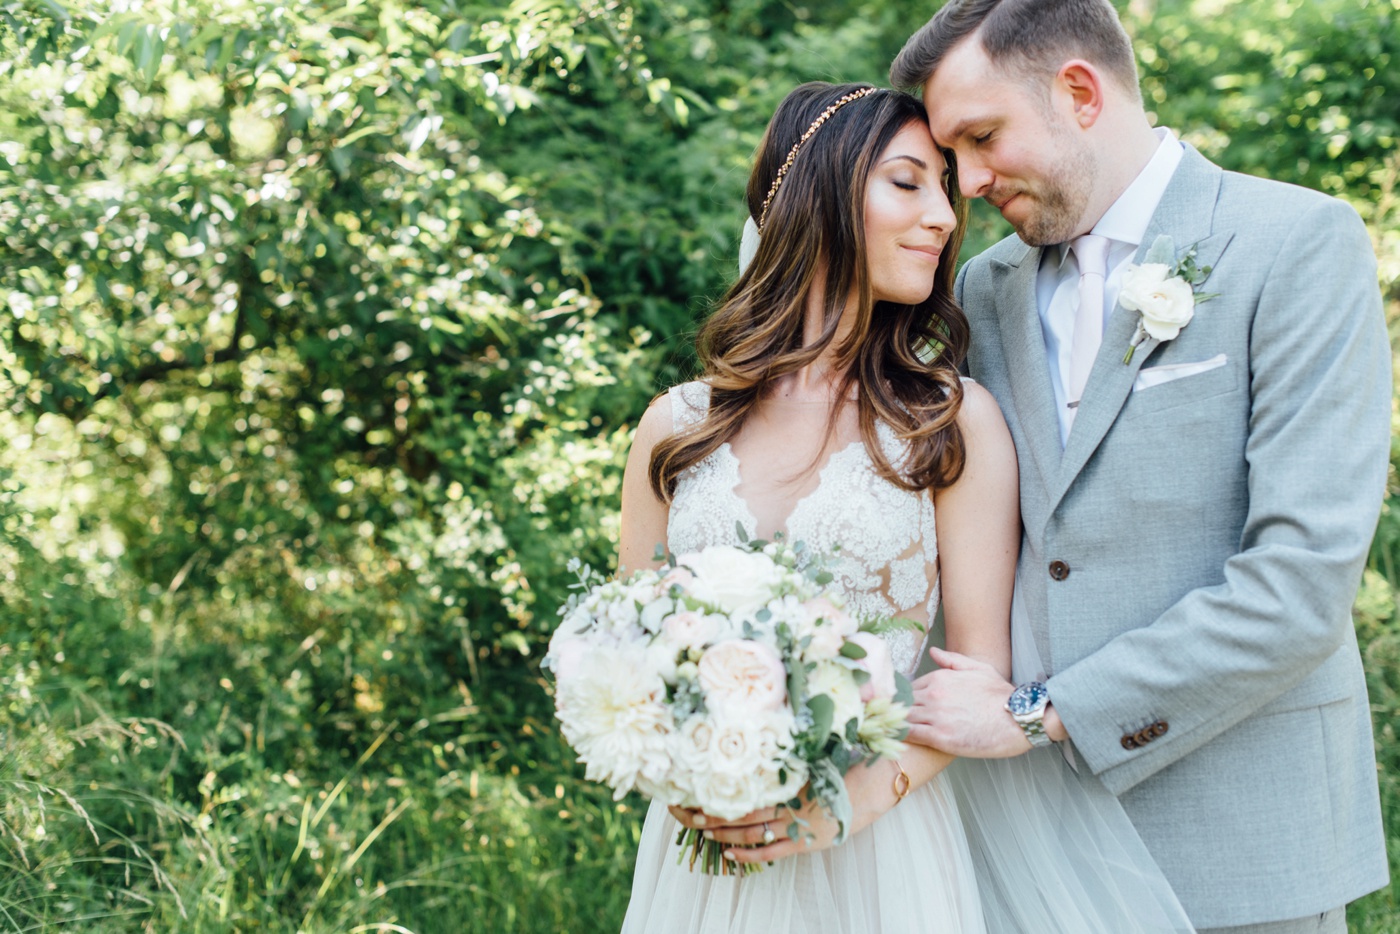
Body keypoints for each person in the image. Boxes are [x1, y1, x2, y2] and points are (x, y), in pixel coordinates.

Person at [613, 79, 1195, 934]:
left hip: (882, 852)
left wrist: (845, 806)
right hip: (706, 849)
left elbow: (974, 680)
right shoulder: (676, 427)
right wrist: (689, 780)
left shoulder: (950, 425)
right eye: (908, 181)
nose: (945, 218)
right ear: (821, 189)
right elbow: (629, 660)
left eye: (946, 192)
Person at [887, 2, 1391, 933]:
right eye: (950, 155)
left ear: (1080, 91)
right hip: (1027, 846)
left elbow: (1301, 585)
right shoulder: (981, 290)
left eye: (983, 138)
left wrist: (1042, 712)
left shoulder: (1295, 243)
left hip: (1241, 840)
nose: (967, 181)